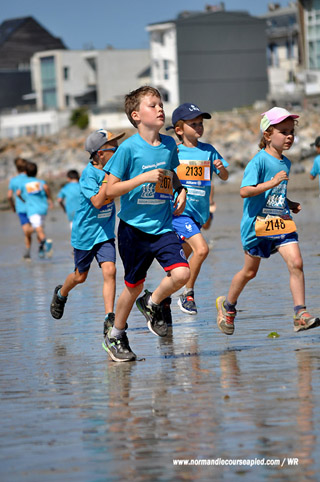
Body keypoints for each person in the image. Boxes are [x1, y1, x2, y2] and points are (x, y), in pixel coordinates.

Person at [102, 86, 190, 362]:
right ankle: (116, 334)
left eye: (161, 104)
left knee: (182, 275)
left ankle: (151, 304)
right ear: (136, 115)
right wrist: (143, 178)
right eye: (153, 105)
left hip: (163, 225)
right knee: (133, 285)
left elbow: (172, 175)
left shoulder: (168, 145)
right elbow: (110, 191)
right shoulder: (128, 149)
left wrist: (182, 191)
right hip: (133, 229)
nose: (160, 108)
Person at [216, 106, 319, 335]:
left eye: (291, 131)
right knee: (250, 272)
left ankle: (300, 313)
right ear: (268, 135)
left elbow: (277, 191)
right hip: (257, 225)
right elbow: (245, 191)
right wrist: (272, 183)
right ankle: (228, 306)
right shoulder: (258, 161)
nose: (289, 136)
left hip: (281, 220)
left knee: (297, 263)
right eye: (283, 131)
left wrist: (289, 202)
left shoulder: (286, 162)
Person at [50, 129, 125, 334]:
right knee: (80, 276)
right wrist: (111, 181)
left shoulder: (116, 171)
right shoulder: (88, 175)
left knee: (110, 270)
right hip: (85, 234)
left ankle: (109, 317)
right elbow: (99, 202)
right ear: (101, 153)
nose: (119, 151)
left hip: (106, 232)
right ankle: (62, 293)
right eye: (114, 148)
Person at [167, 102, 229, 315]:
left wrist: (221, 170)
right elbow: (164, 179)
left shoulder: (209, 150)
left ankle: (158, 298)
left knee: (181, 259)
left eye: (200, 123)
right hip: (179, 213)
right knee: (202, 249)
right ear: (179, 129)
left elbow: (224, 176)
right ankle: (188, 293)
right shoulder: (174, 152)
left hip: (199, 215)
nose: (199, 127)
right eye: (193, 124)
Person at [17, 161, 53, 258]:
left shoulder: (24, 183)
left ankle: (46, 242)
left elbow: (18, 193)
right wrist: (49, 199)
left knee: (37, 229)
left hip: (32, 209)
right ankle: (41, 250)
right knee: (39, 228)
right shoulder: (40, 182)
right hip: (42, 208)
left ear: (26, 172)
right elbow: (46, 188)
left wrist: (23, 200)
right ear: (36, 172)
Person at [7, 157, 33, 259]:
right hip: (32, 207)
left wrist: (12, 206)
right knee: (34, 227)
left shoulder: (13, 180)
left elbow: (9, 196)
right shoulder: (30, 178)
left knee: (26, 231)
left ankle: (28, 250)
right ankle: (40, 245)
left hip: (21, 208)